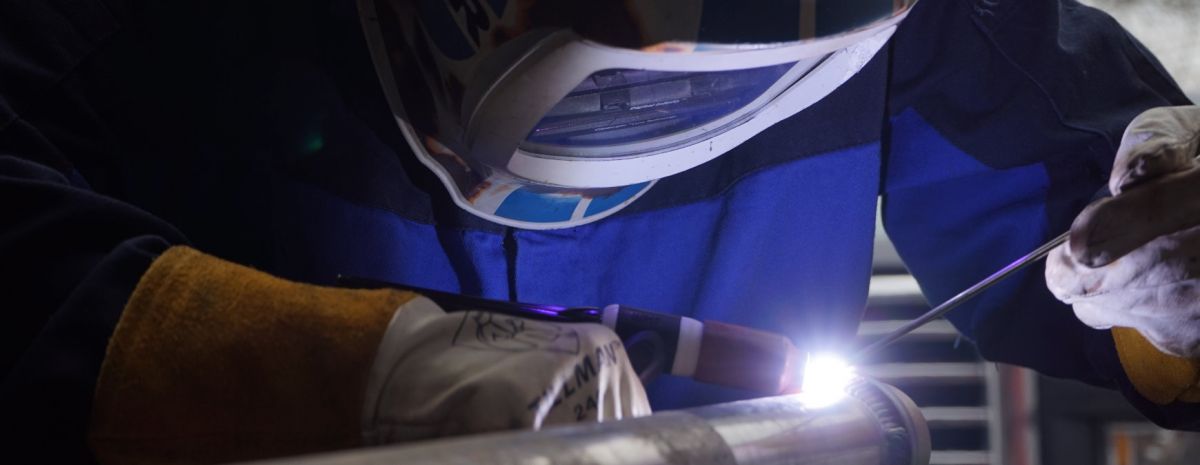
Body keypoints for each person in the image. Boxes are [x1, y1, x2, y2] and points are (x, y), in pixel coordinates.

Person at [2, 0, 1198, 463]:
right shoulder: (129, 32)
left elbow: (1095, 217)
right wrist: (341, 370)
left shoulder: (903, 25)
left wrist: (1182, 294)